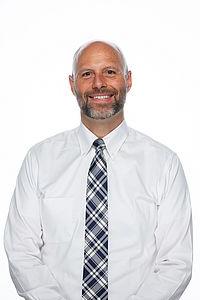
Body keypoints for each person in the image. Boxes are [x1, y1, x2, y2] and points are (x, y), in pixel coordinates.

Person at [4, 40, 193, 300]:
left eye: (110, 72)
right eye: (86, 74)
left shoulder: (165, 164)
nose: (98, 83)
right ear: (72, 84)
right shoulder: (39, 160)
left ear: (128, 80)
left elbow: (176, 261)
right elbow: (21, 251)